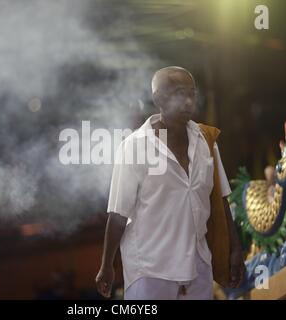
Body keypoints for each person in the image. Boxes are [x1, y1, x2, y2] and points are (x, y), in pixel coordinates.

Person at [95, 66, 245, 300]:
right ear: (158, 99)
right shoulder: (134, 147)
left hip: (198, 267)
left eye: (191, 93)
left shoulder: (206, 141)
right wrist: (107, 266)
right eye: (178, 93)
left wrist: (235, 250)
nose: (187, 101)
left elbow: (221, 201)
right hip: (149, 271)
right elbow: (117, 215)